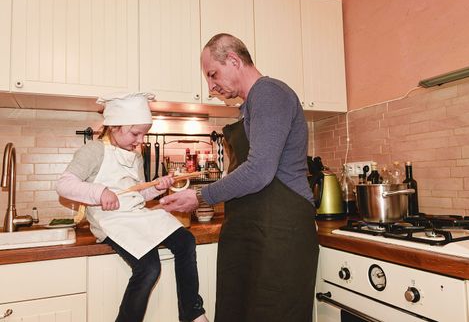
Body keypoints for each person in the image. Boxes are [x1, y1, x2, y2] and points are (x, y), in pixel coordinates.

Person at [159, 33, 319, 322]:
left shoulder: (269, 92)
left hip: (280, 234)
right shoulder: (251, 107)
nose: (210, 87)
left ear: (233, 60)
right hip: (257, 231)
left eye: (212, 74)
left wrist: (198, 196)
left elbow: (259, 171)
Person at [56, 92, 208, 322]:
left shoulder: (135, 156)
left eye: (143, 134)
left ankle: (192, 313)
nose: (140, 140)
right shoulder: (94, 151)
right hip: (111, 222)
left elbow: (137, 194)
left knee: (185, 241)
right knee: (149, 268)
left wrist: (157, 187)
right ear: (115, 127)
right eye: (135, 133)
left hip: (137, 216)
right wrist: (99, 192)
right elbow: (63, 184)